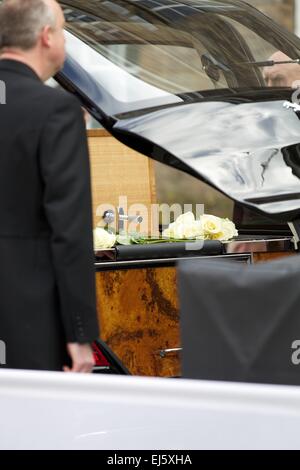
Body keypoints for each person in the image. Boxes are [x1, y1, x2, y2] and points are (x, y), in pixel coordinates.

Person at [0, 0, 99, 372]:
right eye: (62, 29)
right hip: (27, 322)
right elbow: (69, 230)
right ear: (46, 37)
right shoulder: (56, 109)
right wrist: (80, 334)